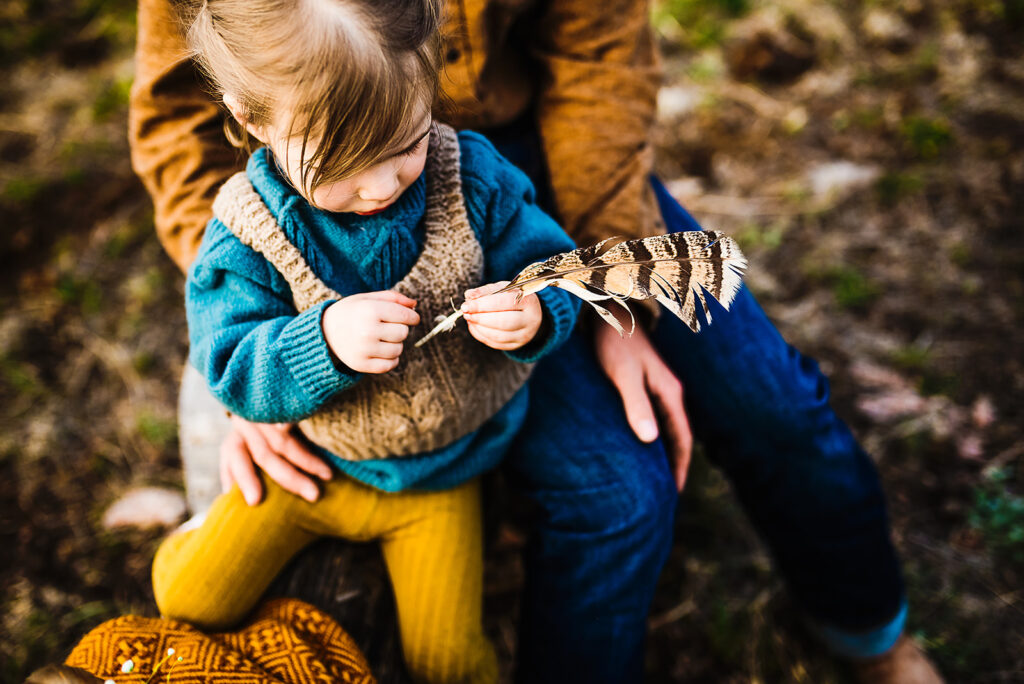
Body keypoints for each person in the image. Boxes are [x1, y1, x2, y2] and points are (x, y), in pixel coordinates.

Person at [129, 0, 943, 682]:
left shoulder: (449, 159)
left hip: (527, 161)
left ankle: (868, 631)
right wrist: (264, 337)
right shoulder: (273, 186)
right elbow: (176, 129)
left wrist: (600, 301)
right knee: (619, 494)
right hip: (310, 202)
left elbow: (600, 65)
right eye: (356, 170)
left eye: (394, 163)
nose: (379, 193)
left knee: (772, 402)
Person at [149, 1, 582, 682]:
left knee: (451, 660)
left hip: (440, 476)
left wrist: (533, 312)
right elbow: (228, 362)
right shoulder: (247, 231)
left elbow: (552, 269)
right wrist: (316, 343)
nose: (382, 186)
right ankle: (194, 531)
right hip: (313, 468)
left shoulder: (470, 178)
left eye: (407, 143)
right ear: (250, 119)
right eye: (340, 165)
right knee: (189, 596)